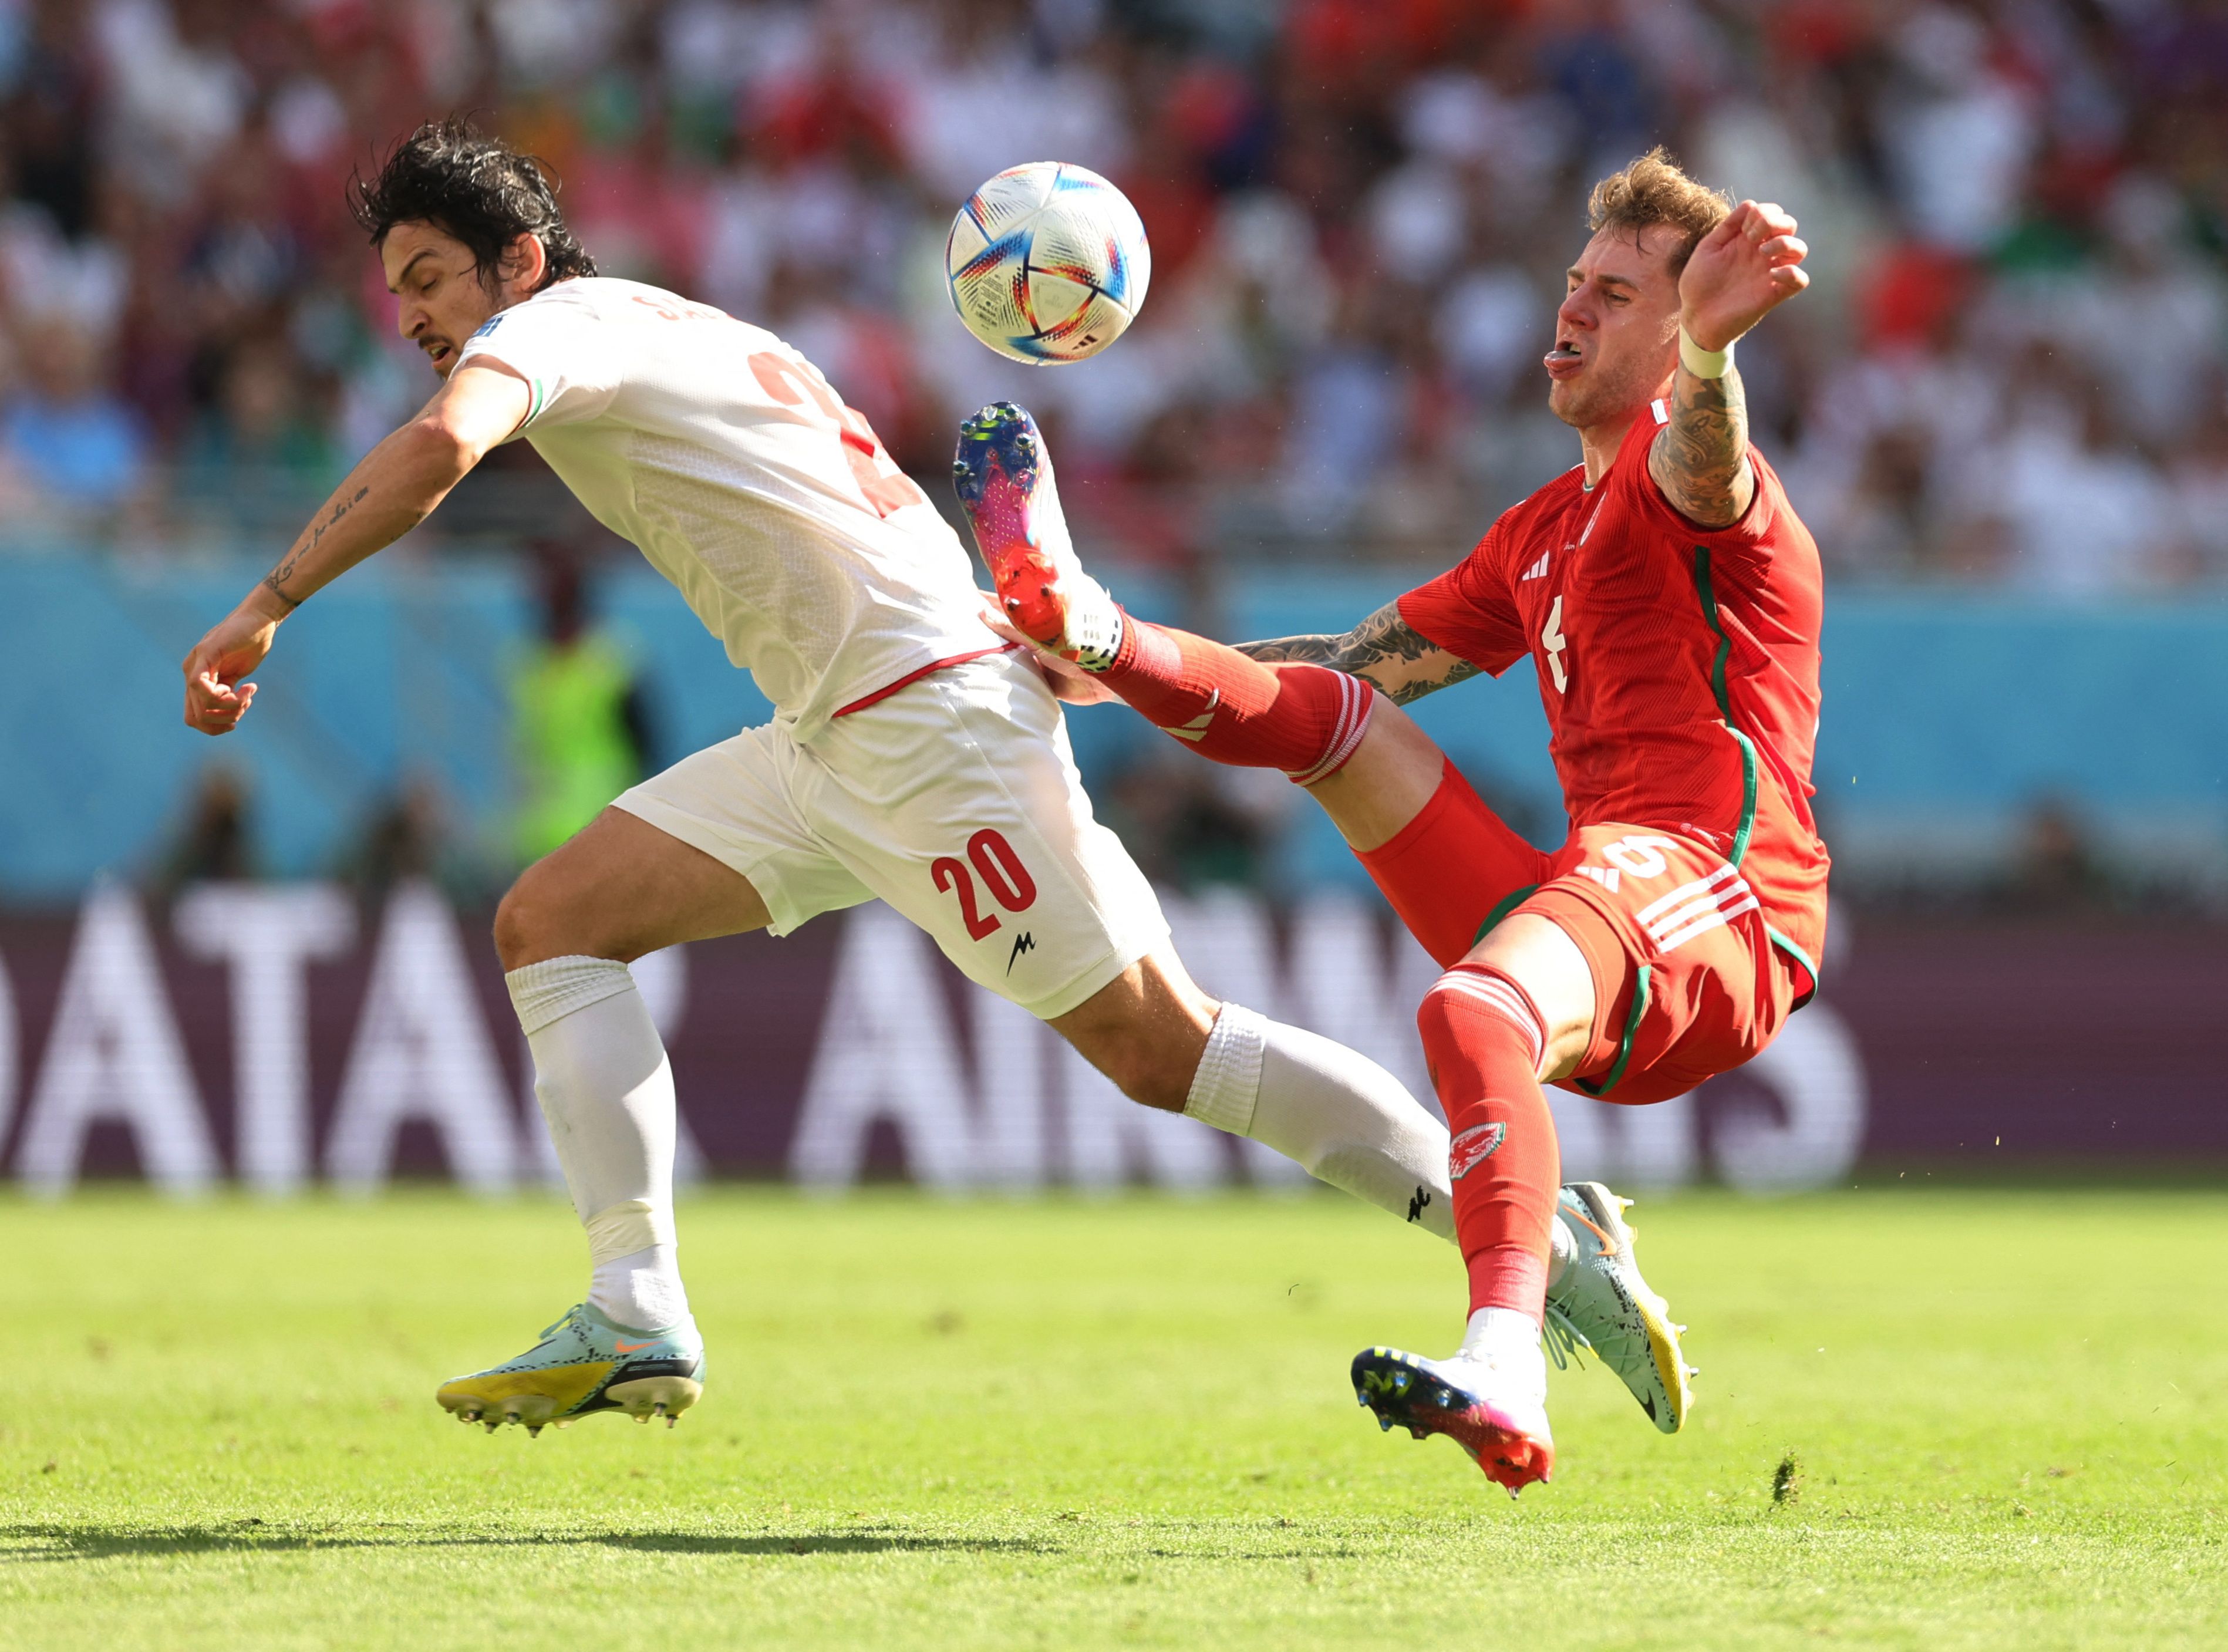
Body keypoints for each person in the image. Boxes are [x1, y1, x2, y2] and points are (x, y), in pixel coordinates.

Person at [176, 120, 1671, 1441]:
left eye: (431, 278)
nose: (417, 318)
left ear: (516, 261)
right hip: (836, 730)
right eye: (397, 296)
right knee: (550, 923)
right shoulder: (675, 326)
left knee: (1165, 1051)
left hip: (921, 729)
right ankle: (633, 1310)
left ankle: (1541, 1245)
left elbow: (445, 446)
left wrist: (264, 601)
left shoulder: (560, 329)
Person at [957, 149, 1822, 1493]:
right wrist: (1107, 660)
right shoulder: (1537, 529)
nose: (1571, 309)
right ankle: (1088, 611)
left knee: (1470, 1014)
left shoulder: (1694, 477)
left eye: (1613, 293)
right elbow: (1340, 670)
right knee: (1337, 727)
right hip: (1594, 901)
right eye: (1571, 283)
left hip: (1719, 898)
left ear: (1677, 323)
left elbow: (1708, 471)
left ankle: (1503, 1364)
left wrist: (1709, 358)